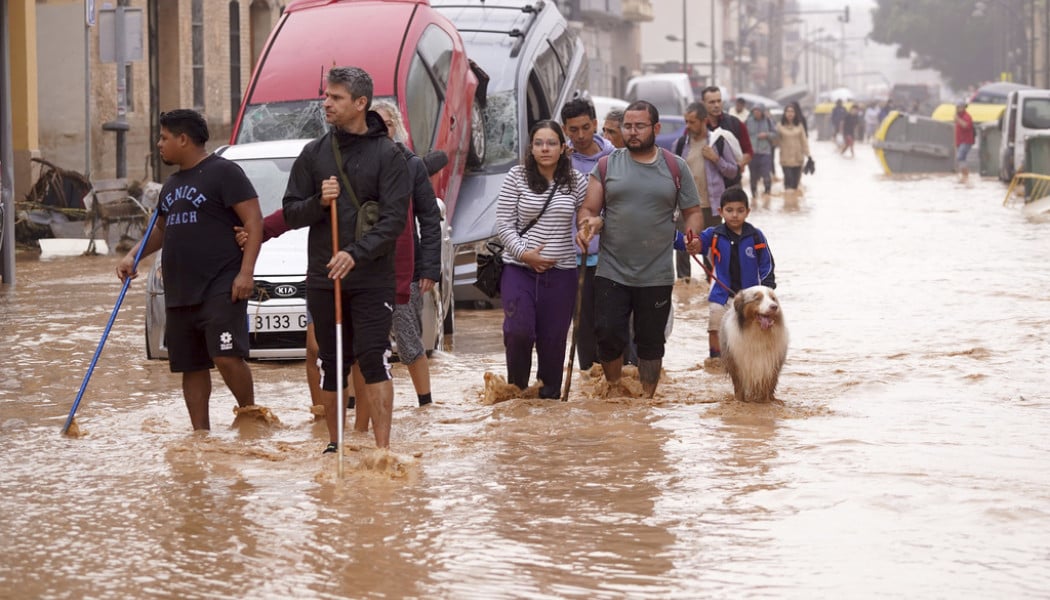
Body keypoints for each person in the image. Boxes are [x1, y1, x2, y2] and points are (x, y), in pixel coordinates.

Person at [282, 66, 410, 453]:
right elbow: (290, 212)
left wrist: (354, 254)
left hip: (371, 277)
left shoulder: (389, 155)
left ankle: (383, 450)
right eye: (326, 96)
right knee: (331, 360)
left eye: (335, 98)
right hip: (325, 276)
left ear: (360, 103)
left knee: (374, 357)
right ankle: (334, 445)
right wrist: (319, 202)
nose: (326, 103)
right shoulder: (313, 153)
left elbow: (392, 222)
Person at [117, 109, 264, 431]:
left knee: (226, 355)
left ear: (183, 139)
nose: (159, 144)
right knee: (190, 365)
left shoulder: (224, 173)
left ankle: (251, 416)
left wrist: (247, 272)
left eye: (164, 137)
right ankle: (201, 435)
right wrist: (133, 256)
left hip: (222, 284)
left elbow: (254, 221)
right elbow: (161, 229)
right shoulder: (172, 184)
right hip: (181, 289)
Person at [576, 100, 703, 398]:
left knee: (650, 343)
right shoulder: (607, 165)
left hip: (656, 273)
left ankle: (647, 399)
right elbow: (589, 208)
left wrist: (692, 235)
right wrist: (588, 224)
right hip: (612, 270)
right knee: (607, 335)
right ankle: (615, 389)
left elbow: (693, 211)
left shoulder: (675, 167)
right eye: (628, 127)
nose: (632, 132)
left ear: (655, 128)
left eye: (639, 126)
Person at [496, 120, 587, 398]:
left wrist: (586, 230)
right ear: (531, 148)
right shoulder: (516, 176)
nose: (544, 149)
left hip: (562, 275)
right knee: (518, 332)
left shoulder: (576, 181)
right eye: (538, 143)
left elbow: (589, 214)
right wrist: (525, 254)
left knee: (553, 342)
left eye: (551, 143)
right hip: (518, 270)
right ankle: (517, 394)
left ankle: (548, 404)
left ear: (563, 148)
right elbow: (504, 225)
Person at [372, 99, 443, 409]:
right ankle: (353, 406)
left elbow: (429, 219)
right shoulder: (358, 162)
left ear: (396, 128)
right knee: (363, 342)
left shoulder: (411, 165)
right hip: (366, 268)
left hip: (406, 268)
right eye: (375, 124)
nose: (380, 131)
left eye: (386, 124)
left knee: (409, 337)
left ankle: (425, 404)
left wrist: (429, 268)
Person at [684, 186, 775, 361]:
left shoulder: (756, 236)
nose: (735, 215)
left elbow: (767, 264)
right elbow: (697, 244)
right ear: (720, 212)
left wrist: (768, 289)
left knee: (753, 330)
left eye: (740, 210)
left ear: (748, 212)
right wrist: (690, 243)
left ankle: (750, 361)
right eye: (729, 210)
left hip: (751, 298)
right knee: (715, 328)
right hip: (721, 295)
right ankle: (716, 361)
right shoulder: (714, 235)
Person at [561, 98, 616, 373]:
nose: (580, 136)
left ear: (595, 124)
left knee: (611, 325)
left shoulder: (614, 159)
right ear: (565, 129)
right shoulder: (560, 162)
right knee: (582, 326)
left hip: (611, 258)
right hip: (573, 259)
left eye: (585, 127)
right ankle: (589, 379)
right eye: (573, 130)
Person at [674, 101, 737, 279]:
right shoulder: (680, 144)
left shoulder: (718, 142)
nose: (688, 126)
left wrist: (716, 159)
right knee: (682, 250)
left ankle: (713, 288)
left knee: (712, 252)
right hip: (686, 207)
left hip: (712, 206)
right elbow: (671, 175)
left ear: (704, 121)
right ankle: (685, 291)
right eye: (686, 121)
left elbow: (733, 171)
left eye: (692, 122)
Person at [701, 86, 751, 187]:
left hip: (731, 184)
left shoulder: (735, 124)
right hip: (706, 185)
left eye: (719, 101)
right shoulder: (698, 127)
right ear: (703, 103)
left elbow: (748, 152)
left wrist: (739, 166)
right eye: (712, 102)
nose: (716, 105)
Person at [777, 102, 810, 210]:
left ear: (795, 114)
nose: (790, 114)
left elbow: (804, 141)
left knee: (795, 186)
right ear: (785, 113)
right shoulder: (779, 126)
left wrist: (809, 156)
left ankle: (794, 207)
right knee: (788, 184)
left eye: (792, 111)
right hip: (785, 160)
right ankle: (787, 207)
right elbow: (775, 142)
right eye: (788, 111)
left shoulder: (799, 126)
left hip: (798, 159)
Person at [745, 105, 777, 203]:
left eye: (758, 111)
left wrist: (766, 135)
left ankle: (767, 195)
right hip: (752, 153)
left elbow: (775, 134)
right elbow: (743, 135)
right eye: (755, 111)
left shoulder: (768, 121)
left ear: (762, 112)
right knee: (753, 176)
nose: (756, 113)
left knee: (766, 174)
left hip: (765, 153)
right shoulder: (748, 121)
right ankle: (753, 197)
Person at [954, 102, 975, 183]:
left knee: (961, 157)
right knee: (962, 158)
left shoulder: (967, 116)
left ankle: (965, 175)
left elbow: (966, 125)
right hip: (960, 141)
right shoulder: (958, 117)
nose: (958, 109)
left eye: (960, 107)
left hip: (966, 141)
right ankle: (964, 175)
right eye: (958, 107)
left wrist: (958, 120)